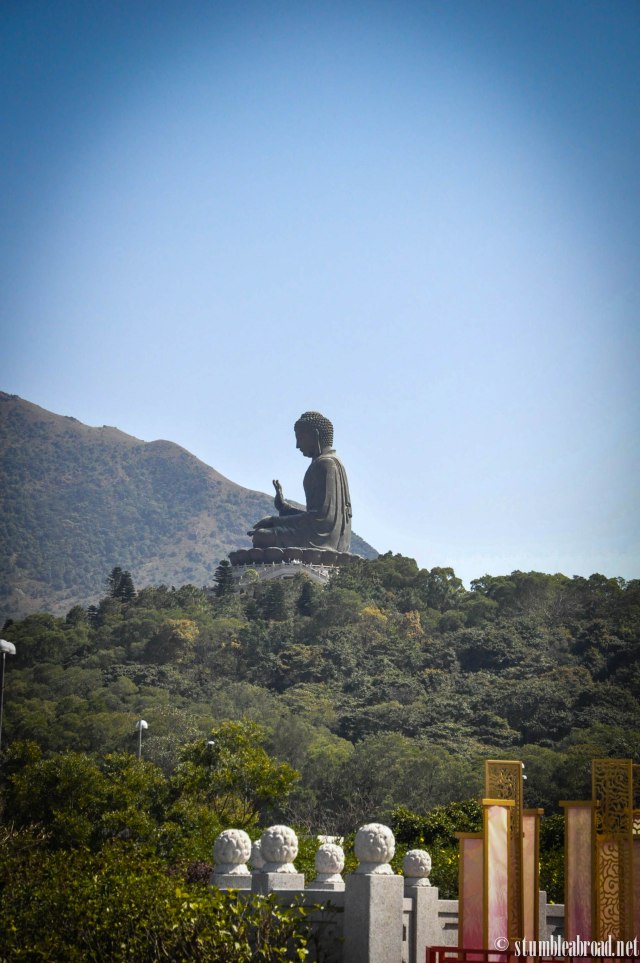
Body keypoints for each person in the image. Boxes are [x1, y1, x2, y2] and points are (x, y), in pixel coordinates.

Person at [248, 411, 352, 552]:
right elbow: (317, 514)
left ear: (315, 435)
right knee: (264, 533)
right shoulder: (330, 462)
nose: (297, 445)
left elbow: (321, 519)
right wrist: (284, 508)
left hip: (321, 541)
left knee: (261, 537)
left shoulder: (325, 464)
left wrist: (274, 520)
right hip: (322, 536)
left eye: (301, 438)